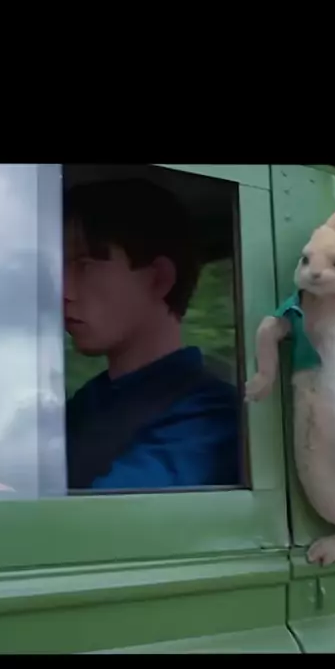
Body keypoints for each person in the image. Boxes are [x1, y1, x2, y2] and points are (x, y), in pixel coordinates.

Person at [64, 178, 240, 491]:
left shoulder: (210, 417)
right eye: (59, 268)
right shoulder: (87, 402)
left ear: (158, 279)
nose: (63, 290)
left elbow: (101, 515)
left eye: (84, 266)